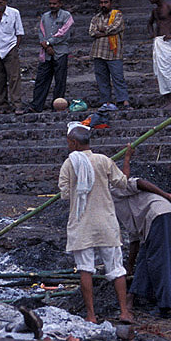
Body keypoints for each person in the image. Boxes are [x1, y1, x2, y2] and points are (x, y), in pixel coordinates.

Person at [58, 122, 133, 324]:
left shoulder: (69, 164)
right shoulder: (104, 160)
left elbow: (65, 195)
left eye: (68, 143)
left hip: (81, 223)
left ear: (73, 143)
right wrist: (126, 159)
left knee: (85, 269)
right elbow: (123, 183)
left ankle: (91, 315)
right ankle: (124, 312)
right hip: (106, 222)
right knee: (116, 269)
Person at [112, 146, 171, 317]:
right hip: (152, 222)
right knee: (145, 259)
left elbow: (139, 182)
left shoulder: (113, 189)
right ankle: (131, 298)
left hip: (159, 213)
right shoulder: (116, 209)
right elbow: (135, 241)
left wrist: (167, 195)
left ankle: (167, 307)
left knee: (159, 260)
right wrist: (129, 266)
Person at [30, 0, 74, 112]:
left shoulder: (67, 16)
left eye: (54, 3)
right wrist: (45, 45)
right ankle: (36, 106)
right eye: (50, 3)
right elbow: (41, 32)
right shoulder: (45, 16)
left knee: (60, 81)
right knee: (41, 80)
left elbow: (63, 33)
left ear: (60, 4)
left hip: (60, 52)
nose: (52, 6)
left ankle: (57, 106)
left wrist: (49, 43)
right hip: (46, 54)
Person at [89, 0, 129, 109]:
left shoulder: (117, 15)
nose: (103, 5)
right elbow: (91, 32)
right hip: (98, 52)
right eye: (101, 2)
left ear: (111, 3)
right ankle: (105, 102)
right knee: (102, 79)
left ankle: (123, 101)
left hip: (114, 53)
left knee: (118, 78)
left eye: (105, 2)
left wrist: (100, 31)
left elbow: (115, 28)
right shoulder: (96, 17)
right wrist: (104, 31)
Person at [0, 0, 25, 113]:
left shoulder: (14, 13)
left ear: (5, 2)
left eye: (0, 3)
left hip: (10, 48)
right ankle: (0, 105)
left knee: (14, 78)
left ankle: (16, 104)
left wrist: (15, 48)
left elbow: (19, 33)